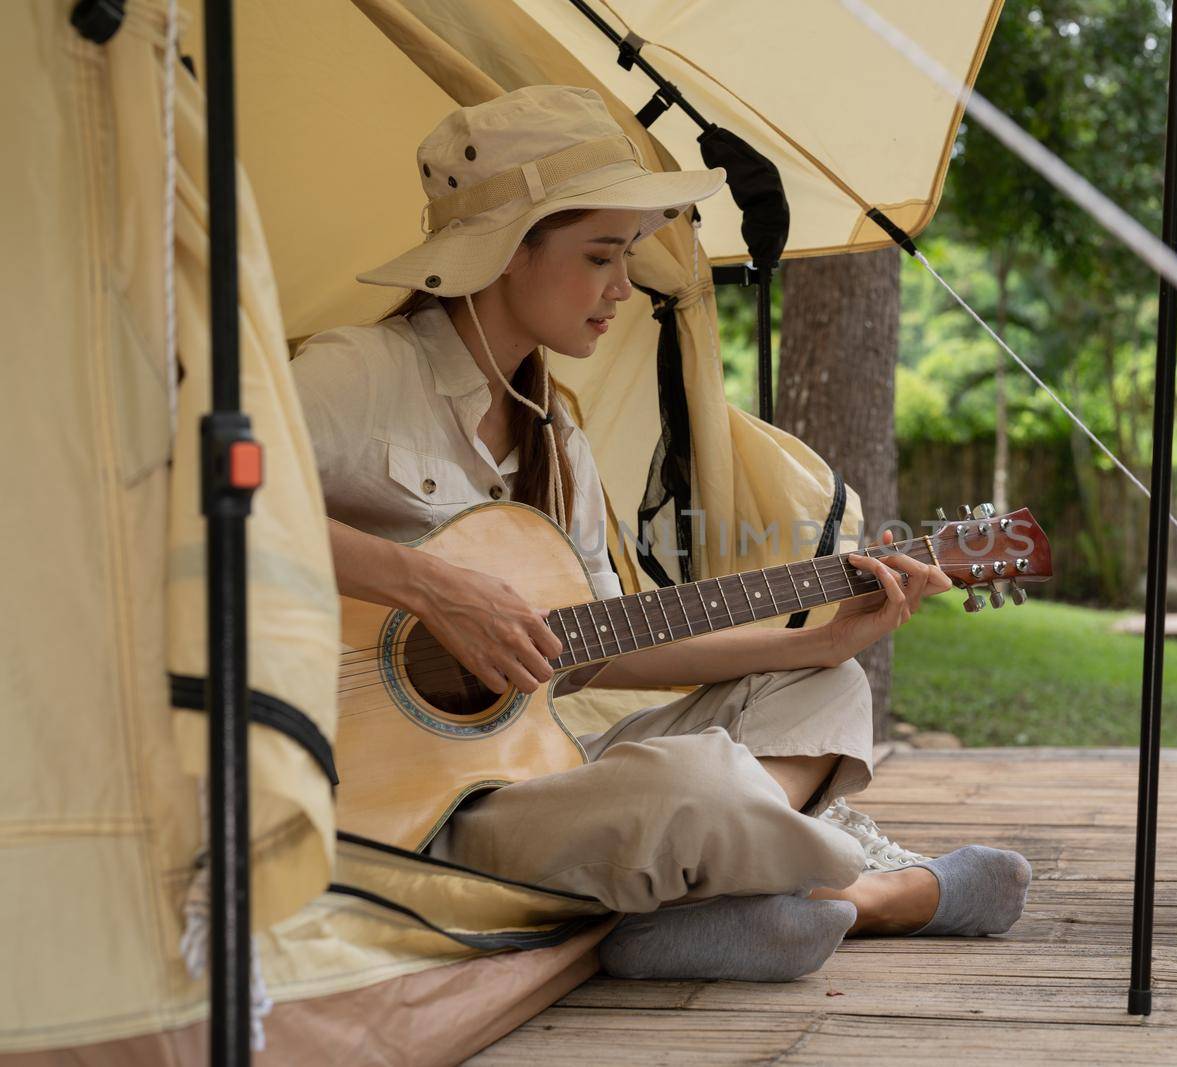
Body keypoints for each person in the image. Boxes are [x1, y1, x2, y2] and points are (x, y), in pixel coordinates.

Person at [292, 85, 1030, 982]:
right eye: (602, 254)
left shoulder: (557, 439)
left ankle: (713, 906)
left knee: (824, 685)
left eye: (631, 255)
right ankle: (864, 894)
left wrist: (826, 635)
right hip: (413, 806)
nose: (622, 286)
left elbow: (596, 646)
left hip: (535, 771)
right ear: (501, 252)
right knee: (695, 790)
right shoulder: (359, 375)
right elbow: (190, 496)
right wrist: (425, 586)